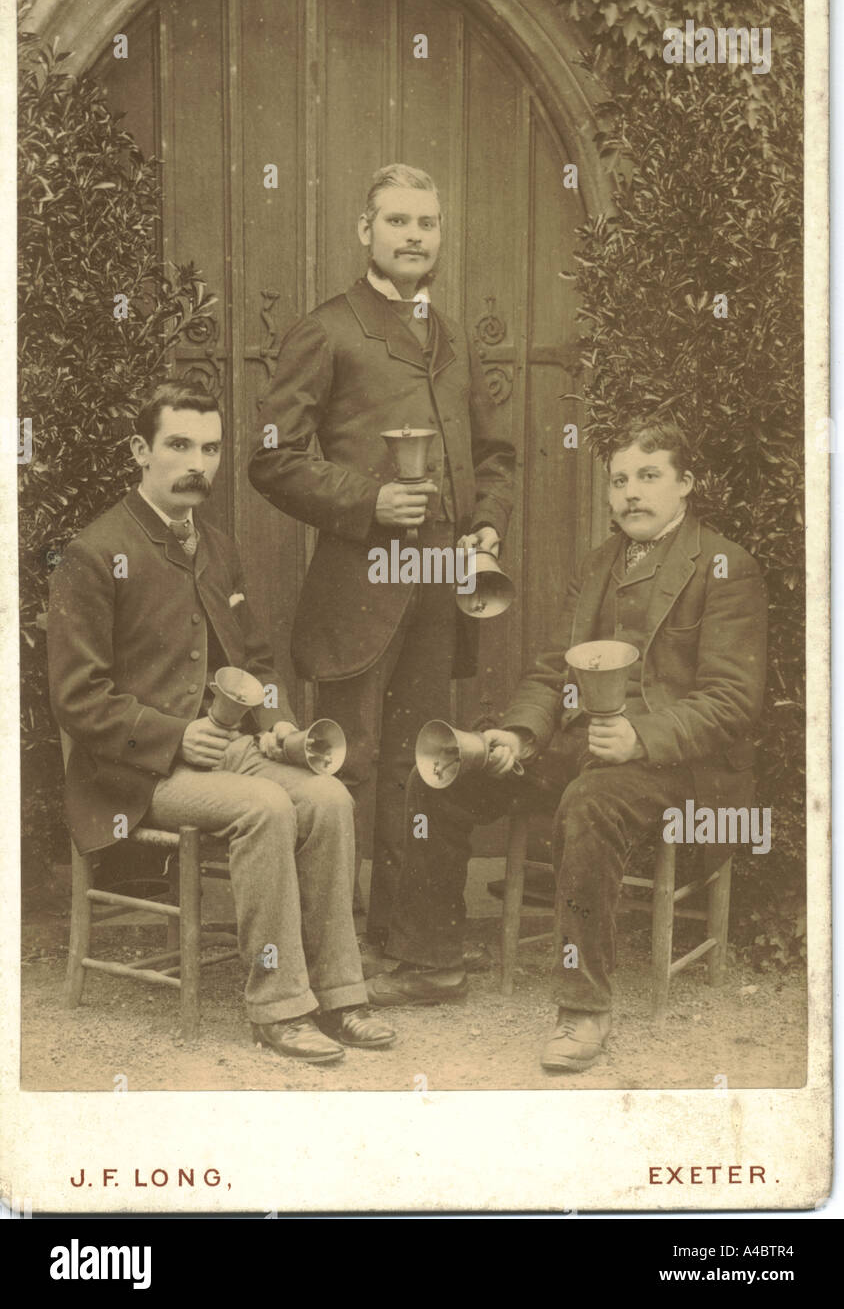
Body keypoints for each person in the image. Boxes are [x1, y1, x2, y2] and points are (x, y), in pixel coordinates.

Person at [366, 418, 767, 1073]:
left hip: (681, 768)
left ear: (686, 485)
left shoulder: (725, 567)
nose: (631, 493)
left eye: (649, 476)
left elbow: (732, 703)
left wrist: (641, 735)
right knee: (448, 770)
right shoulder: (599, 564)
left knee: (591, 800)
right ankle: (431, 963)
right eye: (619, 480)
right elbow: (554, 673)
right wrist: (518, 736)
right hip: (586, 745)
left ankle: (584, 1009)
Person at [48, 381, 395, 1064]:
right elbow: (76, 699)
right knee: (265, 808)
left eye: (209, 448)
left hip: (223, 753)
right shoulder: (91, 553)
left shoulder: (216, 546)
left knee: (327, 797)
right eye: (178, 446)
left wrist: (278, 726)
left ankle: (339, 993)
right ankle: (278, 1006)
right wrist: (174, 735)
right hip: (132, 772)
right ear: (139, 451)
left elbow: (258, 663)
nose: (196, 464)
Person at [248, 164, 514, 956]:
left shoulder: (452, 332)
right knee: (346, 768)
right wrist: (369, 502)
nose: (412, 236)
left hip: (441, 587)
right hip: (360, 590)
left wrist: (486, 527)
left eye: (425, 224)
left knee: (422, 766)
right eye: (396, 221)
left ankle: (408, 946)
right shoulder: (327, 329)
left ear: (439, 236)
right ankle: (321, 957)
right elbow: (272, 456)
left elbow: (495, 455)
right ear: (365, 231)